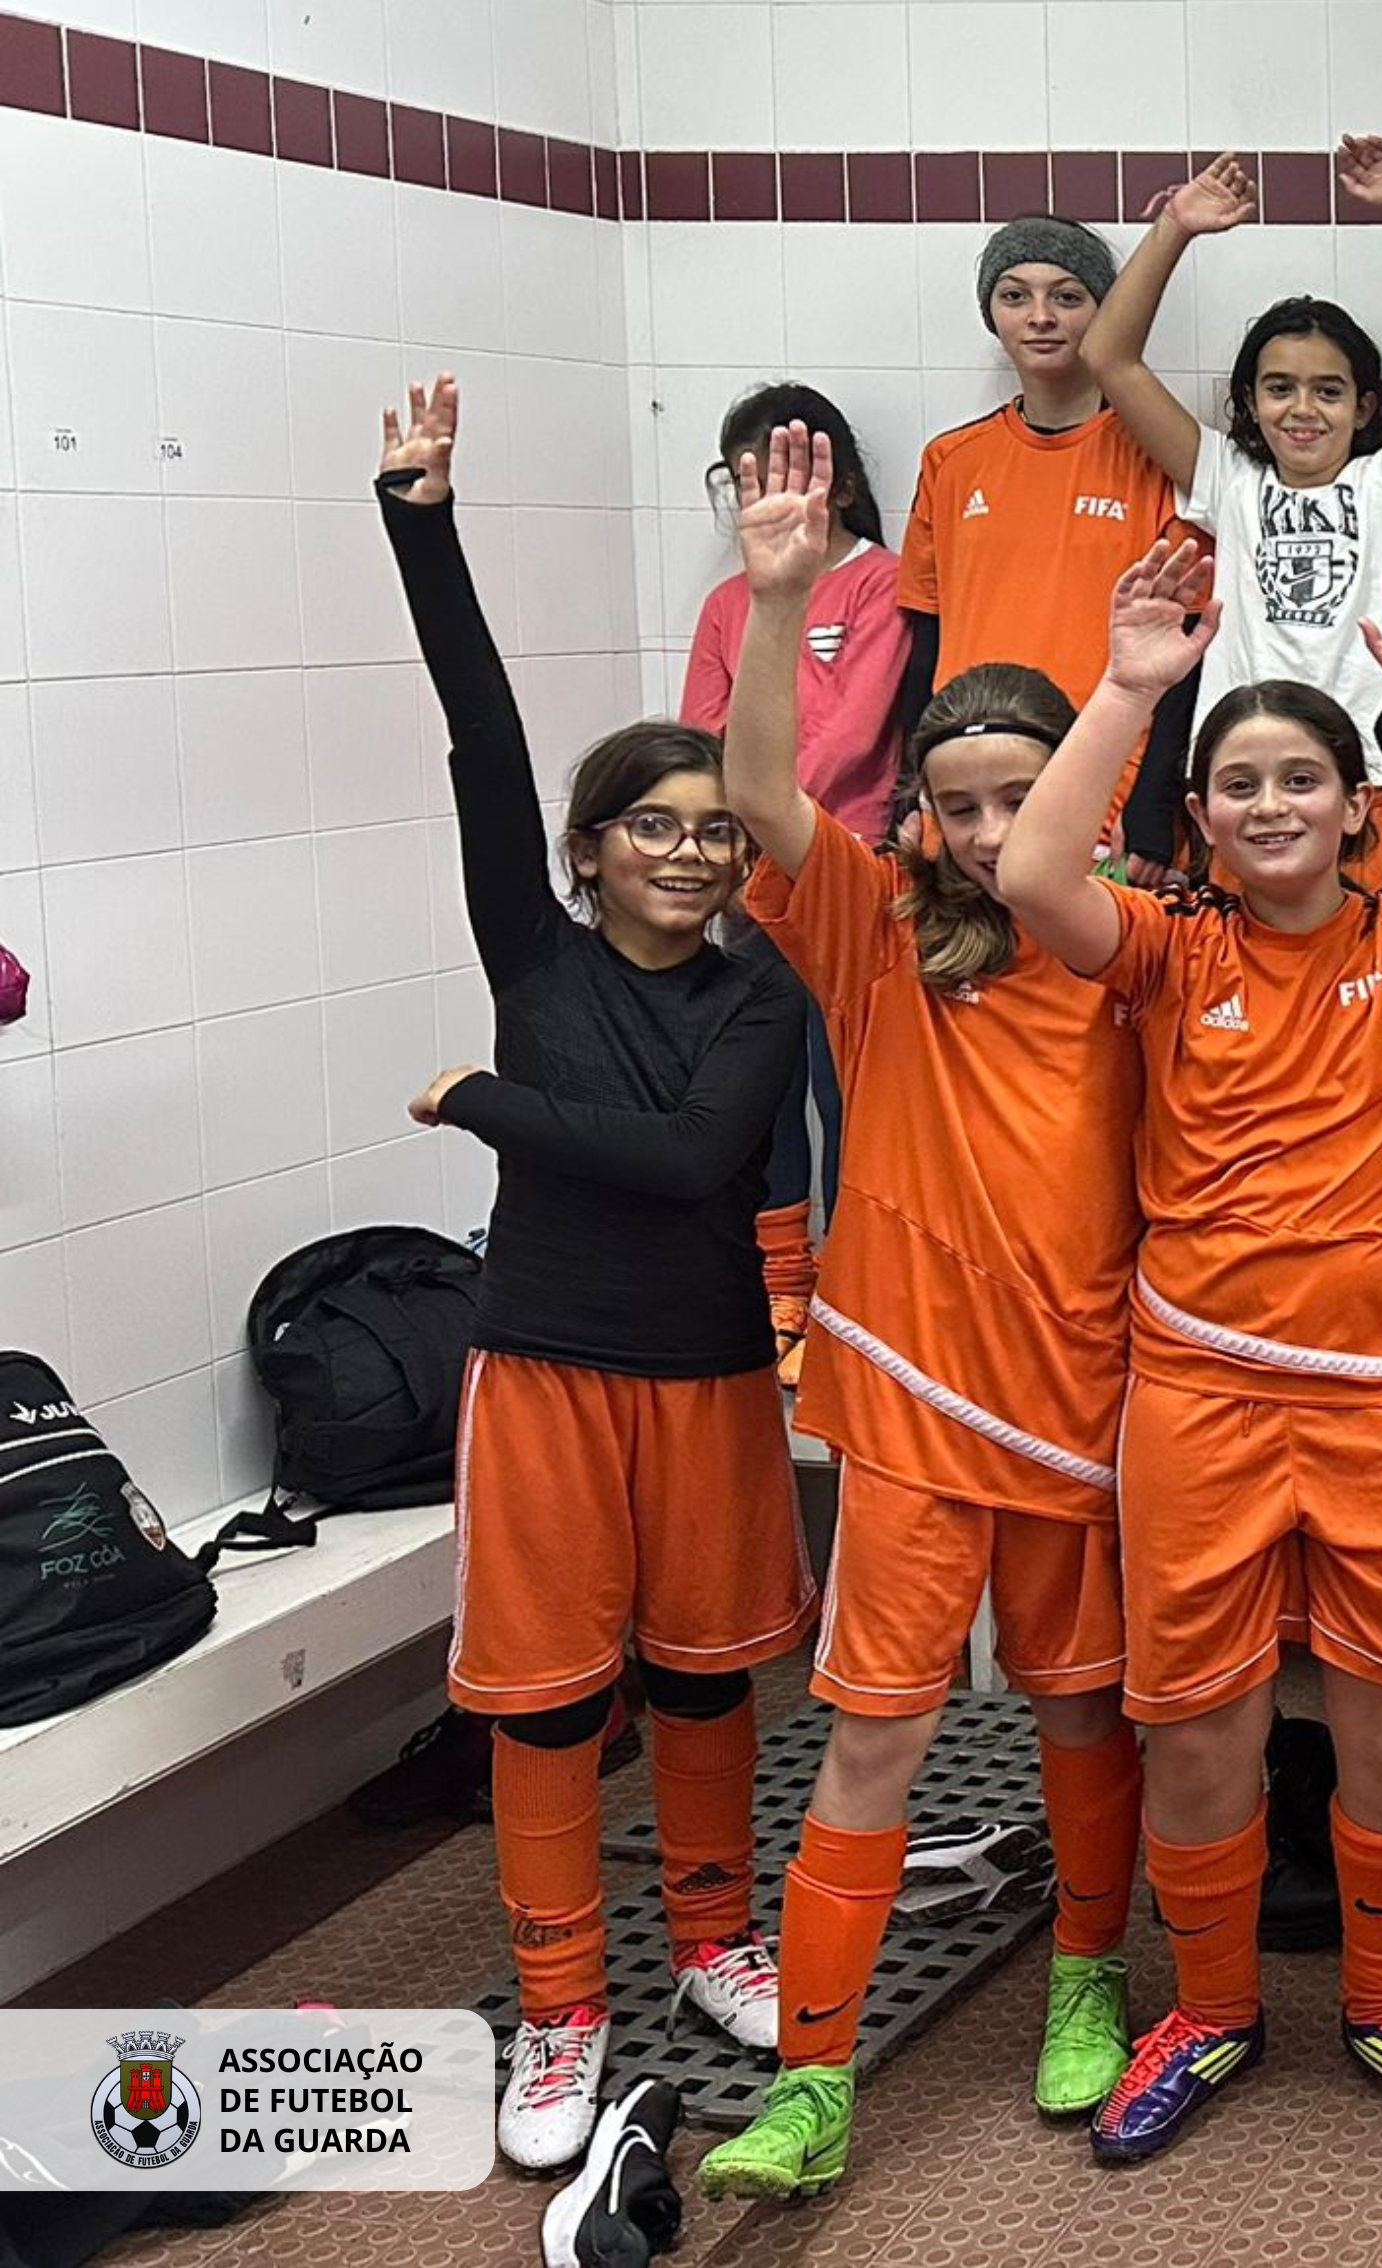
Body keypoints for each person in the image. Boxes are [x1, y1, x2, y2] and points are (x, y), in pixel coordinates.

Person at [991, 548, 1382, 2161]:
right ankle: (1214, 2004)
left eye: (1299, 777)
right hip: (1201, 1388)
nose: (1267, 804)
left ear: (1351, 805)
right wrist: (1126, 687)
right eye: (1237, 782)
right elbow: (1034, 878)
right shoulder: (1170, 946)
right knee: (1200, 1717)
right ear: (1202, 812)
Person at [686, 430, 1150, 2198]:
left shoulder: (1135, 943)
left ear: (1084, 796)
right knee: (875, 1731)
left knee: (1083, 1715)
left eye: (1014, 796)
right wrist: (784, 594)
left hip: (1086, 1401)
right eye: (954, 800)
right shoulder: (877, 929)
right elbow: (755, 801)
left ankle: (1087, 1984)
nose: (980, 831)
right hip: (911, 1413)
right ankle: (813, 2076)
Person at [371, 377, 811, 2173]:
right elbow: (479, 727)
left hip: (705, 1370)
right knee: (551, 1700)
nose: (694, 847)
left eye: (715, 824)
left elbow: (694, 1162)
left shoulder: (760, 992)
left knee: (708, 1683)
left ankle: (713, 1938)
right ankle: (562, 2009)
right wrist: (423, 522)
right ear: (589, 847)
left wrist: (485, 1104)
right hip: (545, 1367)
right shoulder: (532, 956)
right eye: (655, 823)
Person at [1085, 143, 1382, 748]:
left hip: (1375, 775)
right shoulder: (1227, 478)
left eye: (1329, 391)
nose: (1303, 409)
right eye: (1280, 388)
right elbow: (1109, 358)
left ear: (1363, 407)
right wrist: (1175, 226)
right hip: (1245, 767)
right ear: (1251, 404)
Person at [678, 381, 909, 1386]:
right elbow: (701, 732)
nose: (762, 494)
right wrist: (731, 844)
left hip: (850, 871)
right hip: (746, 888)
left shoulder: (881, 583)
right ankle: (785, 1288)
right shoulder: (728, 605)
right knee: (760, 1083)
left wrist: (770, 810)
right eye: (743, 478)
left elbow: (859, 731)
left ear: (839, 480)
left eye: (784, 471)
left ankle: (859, 1289)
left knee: (846, 1080)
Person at [894, 215, 1187, 867]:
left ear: (1104, 310)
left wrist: (1151, 813)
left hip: (1104, 796)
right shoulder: (951, 461)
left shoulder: (1161, 457)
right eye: (1015, 295)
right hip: (967, 799)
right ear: (992, 314)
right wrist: (911, 790)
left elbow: (1187, 649)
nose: (1040, 316)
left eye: (1068, 296)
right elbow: (925, 643)